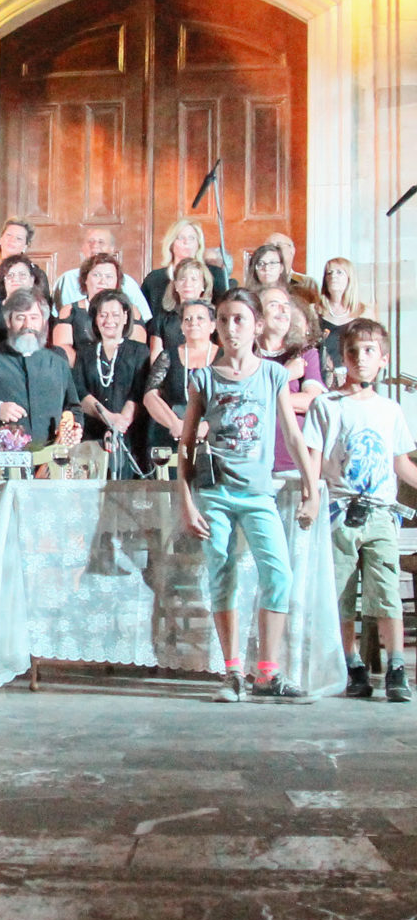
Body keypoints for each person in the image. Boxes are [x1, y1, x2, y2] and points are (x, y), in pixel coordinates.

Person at [178, 287, 318, 703]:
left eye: (239, 319)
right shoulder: (204, 379)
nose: (230, 328)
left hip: (258, 494)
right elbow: (186, 443)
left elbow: (292, 435)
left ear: (257, 325)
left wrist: (311, 489)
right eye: (223, 320)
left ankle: (268, 672)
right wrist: (185, 499)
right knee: (223, 576)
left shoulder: (273, 375)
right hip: (216, 494)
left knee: (278, 573)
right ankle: (232, 671)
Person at [304, 319, 417, 703]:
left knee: (385, 591)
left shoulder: (389, 410)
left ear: (383, 359)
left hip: (381, 512)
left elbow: (401, 463)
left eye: (369, 351)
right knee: (340, 593)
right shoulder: (327, 405)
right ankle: (351, 663)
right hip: (341, 511)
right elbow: (314, 459)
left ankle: (396, 666)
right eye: (353, 351)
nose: (361, 358)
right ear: (343, 357)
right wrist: (310, 498)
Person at [0, 288, 82, 444]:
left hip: (50, 456)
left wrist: (75, 428)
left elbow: (73, 408)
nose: (27, 325)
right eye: (20, 318)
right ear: (8, 322)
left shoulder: (57, 363)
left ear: (43, 322)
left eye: (34, 318)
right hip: (3, 456)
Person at [71, 288, 150, 473]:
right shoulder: (84, 352)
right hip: (93, 435)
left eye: (115, 315)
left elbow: (139, 392)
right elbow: (80, 391)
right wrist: (109, 418)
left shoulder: (140, 351)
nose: (109, 321)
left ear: (125, 317)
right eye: (103, 315)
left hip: (130, 435)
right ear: (95, 319)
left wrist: (118, 425)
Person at [257, 284, 324, 476]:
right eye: (273, 304)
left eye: (286, 305)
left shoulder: (304, 353)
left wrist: (263, 397)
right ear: (258, 315)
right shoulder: (247, 354)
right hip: (253, 462)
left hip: (293, 463)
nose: (283, 309)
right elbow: (240, 401)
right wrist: (285, 375)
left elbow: (312, 402)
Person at [143, 298, 218, 453]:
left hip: (214, 439)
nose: (193, 323)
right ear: (182, 327)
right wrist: (174, 424)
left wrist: (208, 425)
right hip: (173, 436)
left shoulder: (224, 358)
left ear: (212, 326)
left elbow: (234, 399)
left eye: (200, 318)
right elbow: (150, 395)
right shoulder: (168, 355)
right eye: (187, 319)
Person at [54, 252, 146, 365]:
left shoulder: (131, 310)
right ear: (85, 279)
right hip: (80, 371)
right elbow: (63, 349)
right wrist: (88, 369)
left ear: (117, 282)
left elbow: (137, 350)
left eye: (109, 276)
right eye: (96, 275)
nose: (102, 281)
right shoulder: (69, 311)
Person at [54, 225, 152, 324]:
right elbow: (55, 316)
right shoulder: (67, 279)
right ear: (82, 247)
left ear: (112, 249)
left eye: (101, 242)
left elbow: (144, 318)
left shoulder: (128, 282)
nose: (95, 246)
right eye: (90, 242)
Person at [141, 218, 227, 317]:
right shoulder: (154, 279)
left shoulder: (215, 274)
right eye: (181, 238)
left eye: (192, 238)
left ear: (198, 244)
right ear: (171, 243)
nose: (186, 242)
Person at [0, 254, 51, 348]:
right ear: (3, 281)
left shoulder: (41, 310)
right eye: (10, 275)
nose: (15, 279)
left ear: (32, 280)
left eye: (22, 275)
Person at [148, 257, 214, 361]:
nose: (188, 284)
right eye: (182, 279)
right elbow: (156, 353)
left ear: (203, 285)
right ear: (175, 285)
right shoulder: (162, 316)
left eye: (194, 279)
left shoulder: (212, 316)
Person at [318, 258, 370, 384]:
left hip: (354, 381)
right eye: (329, 273)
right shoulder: (313, 311)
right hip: (320, 379)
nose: (333, 276)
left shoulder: (365, 313)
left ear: (350, 278)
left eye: (339, 272)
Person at [265, 231, 319, 299]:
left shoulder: (308, 284)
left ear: (292, 250)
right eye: (269, 246)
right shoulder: (256, 282)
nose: (274, 249)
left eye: (279, 246)